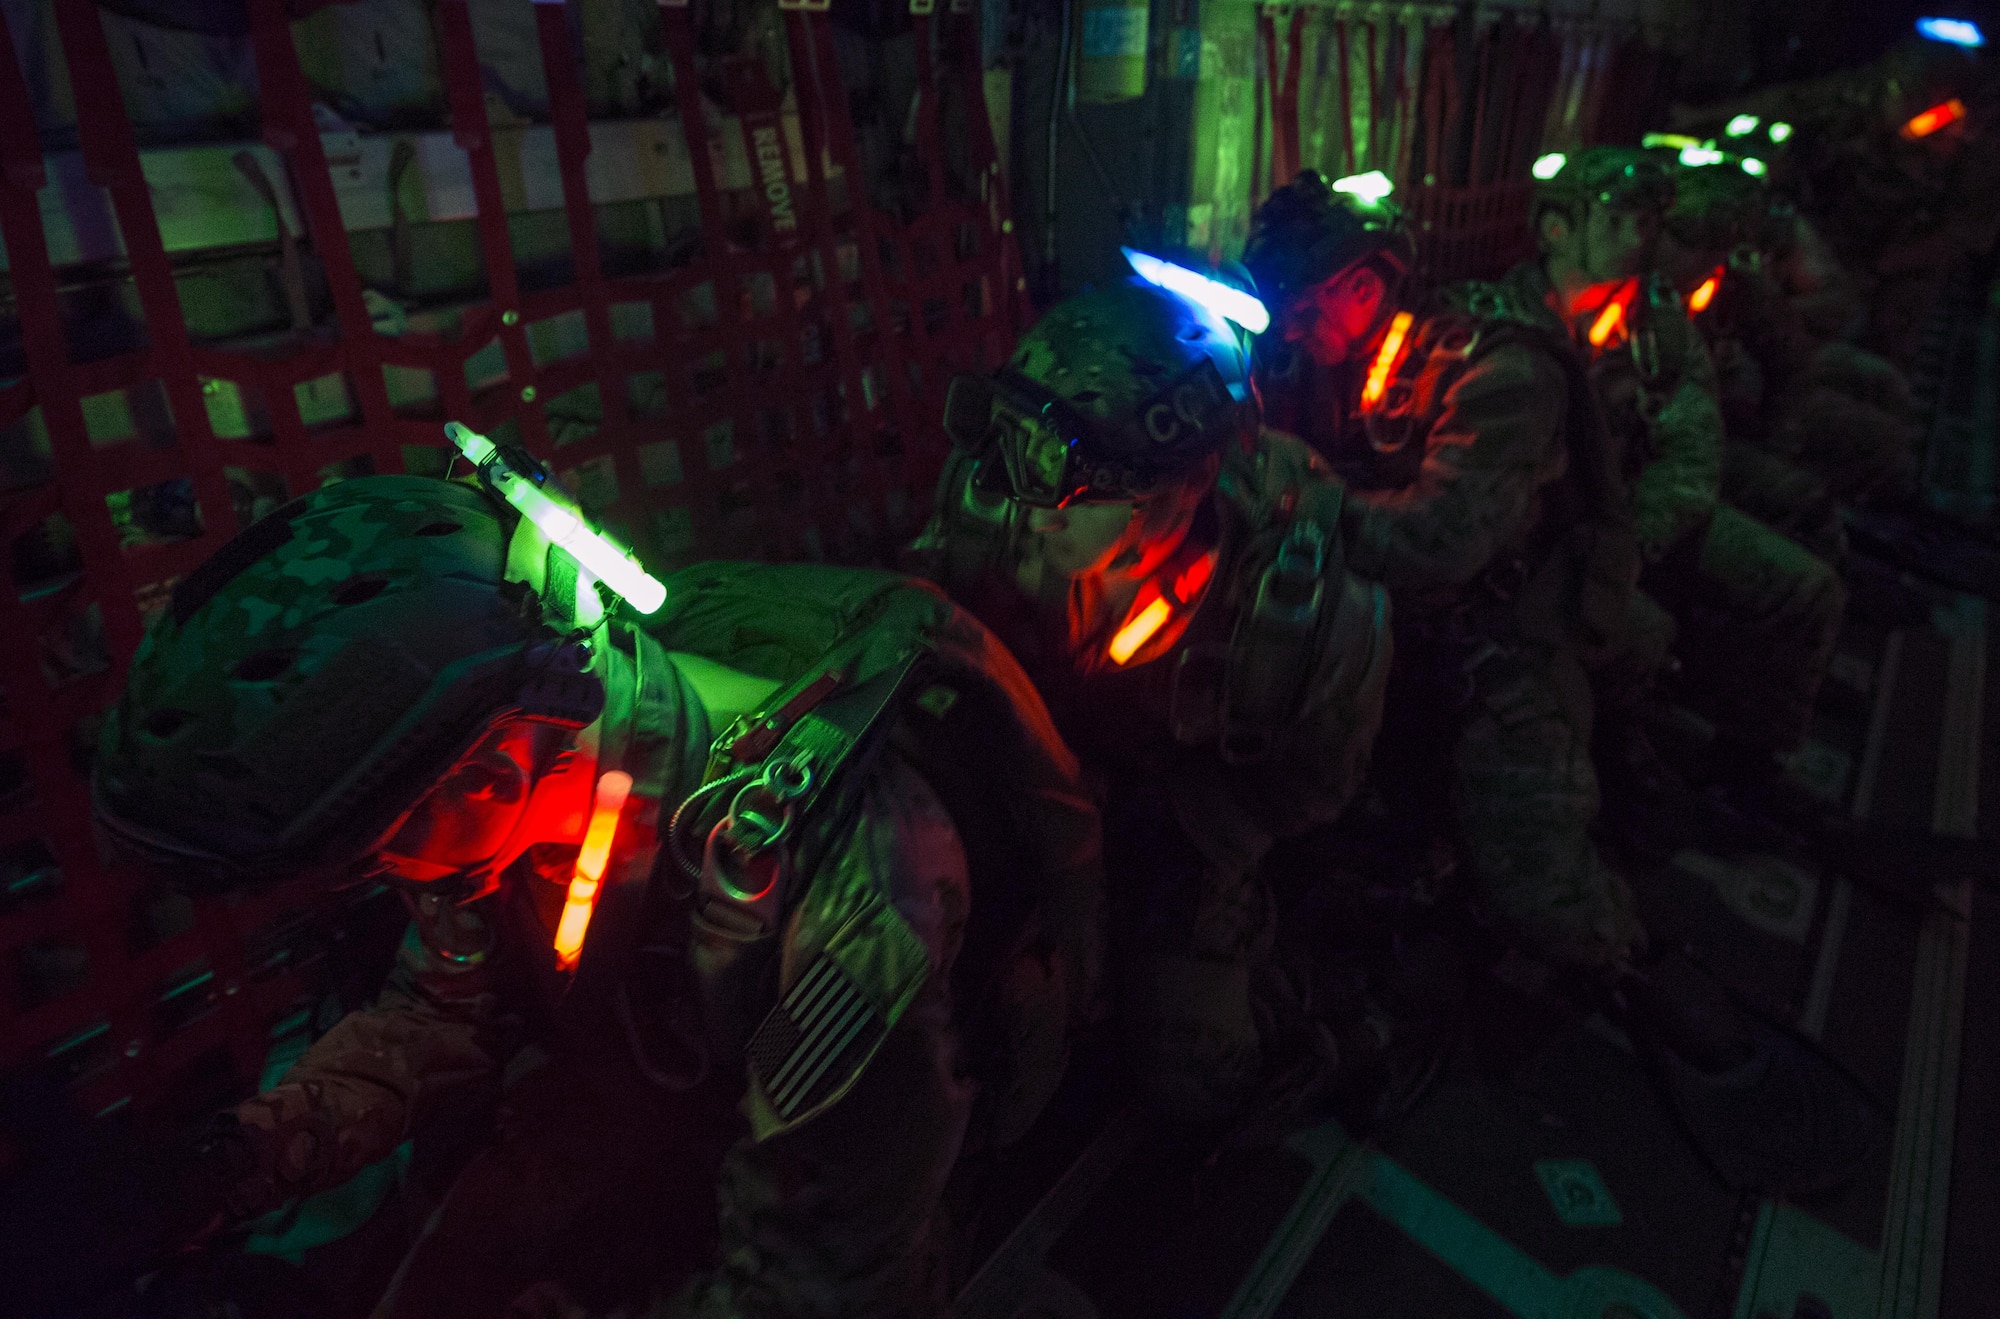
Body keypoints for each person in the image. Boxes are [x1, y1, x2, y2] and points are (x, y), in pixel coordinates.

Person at [91, 463, 1104, 1319]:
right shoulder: (497, 790)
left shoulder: (850, 881)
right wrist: (245, 1154)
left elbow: (814, 1271)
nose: (387, 875)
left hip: (861, 1182)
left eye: (378, 851)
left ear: (486, 770)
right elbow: (441, 1003)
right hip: (692, 1097)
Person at [911, 270, 1394, 1125]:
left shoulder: (1294, 620)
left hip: (1177, 822)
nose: (1034, 506)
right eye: (1021, 453)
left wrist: (1166, 824)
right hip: (1034, 784)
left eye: (1077, 482)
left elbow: (1316, 785)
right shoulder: (1003, 513)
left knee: (1191, 1080)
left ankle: (1304, 1000)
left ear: (1183, 486)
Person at [1244, 169, 1646, 978]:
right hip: (1396, 617)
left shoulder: (1497, 371)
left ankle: (1630, 949)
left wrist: (1302, 498)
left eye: (1300, 310)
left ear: (1362, 286)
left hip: (1500, 639)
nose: (1286, 334)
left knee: (1539, 899)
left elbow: (1442, 540)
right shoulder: (1336, 353)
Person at [1509, 147, 1846, 804]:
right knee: (1637, 631)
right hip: (1546, 541)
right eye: (1618, 220)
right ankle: (1618, 747)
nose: (1640, 239)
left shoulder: (1656, 320)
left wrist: (1636, 539)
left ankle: (1745, 762)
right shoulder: (1506, 323)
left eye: (1649, 222)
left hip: (1639, 518)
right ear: (1557, 228)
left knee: (1806, 590)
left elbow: (1692, 448)